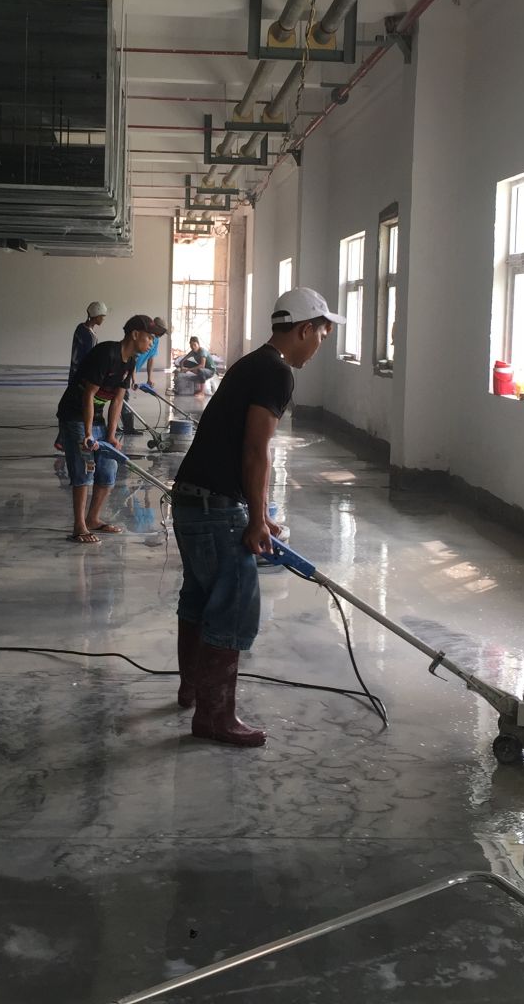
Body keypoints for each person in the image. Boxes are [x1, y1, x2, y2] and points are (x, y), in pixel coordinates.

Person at [169, 288, 344, 746]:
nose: (319, 346)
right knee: (233, 608)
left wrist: (257, 512)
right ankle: (215, 718)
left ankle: (193, 691)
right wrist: (256, 520)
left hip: (191, 500)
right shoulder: (277, 372)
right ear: (304, 330)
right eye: (321, 335)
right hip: (215, 507)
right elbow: (255, 449)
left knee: (199, 598)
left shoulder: (251, 363)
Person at [56, 314, 157, 544]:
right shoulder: (106, 354)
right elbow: (88, 395)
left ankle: (93, 519)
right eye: (149, 337)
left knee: (108, 466)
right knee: (84, 468)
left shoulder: (129, 362)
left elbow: (118, 400)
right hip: (75, 414)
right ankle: (79, 526)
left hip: (97, 416)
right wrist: (88, 433)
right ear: (135, 334)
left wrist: (111, 435)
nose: (152, 343)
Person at [122, 316, 168, 436]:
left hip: (131, 370)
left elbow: (151, 358)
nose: (160, 335)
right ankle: (127, 428)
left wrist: (149, 378)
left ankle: (121, 427)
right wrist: (133, 378)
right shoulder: (143, 338)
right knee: (122, 397)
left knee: (121, 398)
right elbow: (132, 358)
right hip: (125, 370)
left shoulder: (155, 341)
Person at [70, 302, 109, 381]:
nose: (103, 319)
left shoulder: (80, 327)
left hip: (74, 372)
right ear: (97, 316)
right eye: (102, 316)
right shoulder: (91, 336)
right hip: (83, 377)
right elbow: (91, 359)